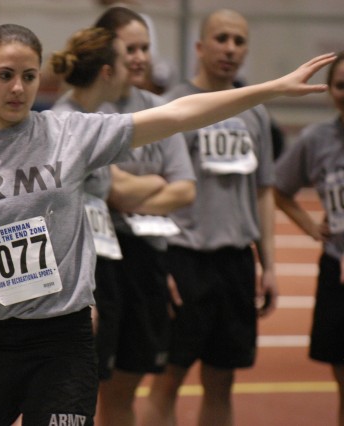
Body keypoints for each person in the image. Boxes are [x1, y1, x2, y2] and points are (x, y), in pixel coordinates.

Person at [0, 21, 334, 426]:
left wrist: (270, 89)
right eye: (5, 76)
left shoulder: (70, 134)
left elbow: (174, 115)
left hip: (63, 340)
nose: (17, 89)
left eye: (29, 77)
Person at [143, 9, 280, 426]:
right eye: (221, 39)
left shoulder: (255, 112)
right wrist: (158, 262)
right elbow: (152, 189)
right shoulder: (174, 108)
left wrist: (269, 264)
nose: (230, 49)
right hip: (184, 259)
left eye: (239, 41)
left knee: (222, 381)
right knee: (167, 379)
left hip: (235, 263)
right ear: (201, 47)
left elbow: (262, 191)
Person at [89, 7, 196, 426]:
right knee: (93, 386)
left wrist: (133, 189)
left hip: (149, 258)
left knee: (129, 387)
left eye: (145, 48)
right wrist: (155, 182)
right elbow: (112, 190)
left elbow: (186, 189)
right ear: (105, 52)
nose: (139, 57)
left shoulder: (160, 109)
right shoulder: (89, 113)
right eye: (129, 48)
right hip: (101, 260)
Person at [273, 51, 344, 426]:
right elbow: (280, 189)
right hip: (337, 268)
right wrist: (313, 228)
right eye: (340, 85)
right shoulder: (318, 139)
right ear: (330, 90)